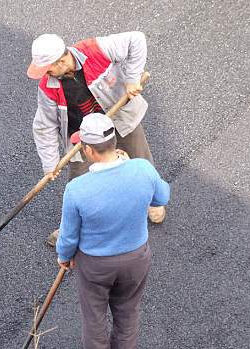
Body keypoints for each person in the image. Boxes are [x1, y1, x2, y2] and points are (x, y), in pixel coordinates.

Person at [55, 113, 170, 349]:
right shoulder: (142, 169)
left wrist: (64, 256)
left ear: (88, 150)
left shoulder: (77, 189)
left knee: (94, 313)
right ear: (114, 142)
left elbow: (69, 236)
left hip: (95, 264)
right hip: (136, 257)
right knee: (128, 308)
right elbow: (162, 195)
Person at [27, 32, 166, 246]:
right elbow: (44, 126)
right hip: (82, 135)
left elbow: (136, 39)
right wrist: (50, 164)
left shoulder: (94, 50)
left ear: (62, 60)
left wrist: (131, 79)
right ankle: (70, 229)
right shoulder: (48, 87)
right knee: (78, 184)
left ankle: (153, 199)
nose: (47, 74)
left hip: (118, 117)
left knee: (140, 158)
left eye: (49, 69)